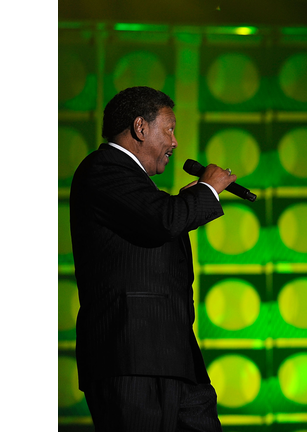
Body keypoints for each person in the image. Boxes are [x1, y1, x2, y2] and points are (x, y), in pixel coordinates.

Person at [70, 86, 237, 431]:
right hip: (131, 354)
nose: (175, 143)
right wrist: (206, 190)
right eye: (170, 129)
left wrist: (182, 206)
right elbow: (161, 220)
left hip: (174, 355)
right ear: (140, 128)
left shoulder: (135, 186)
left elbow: (158, 222)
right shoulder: (103, 168)